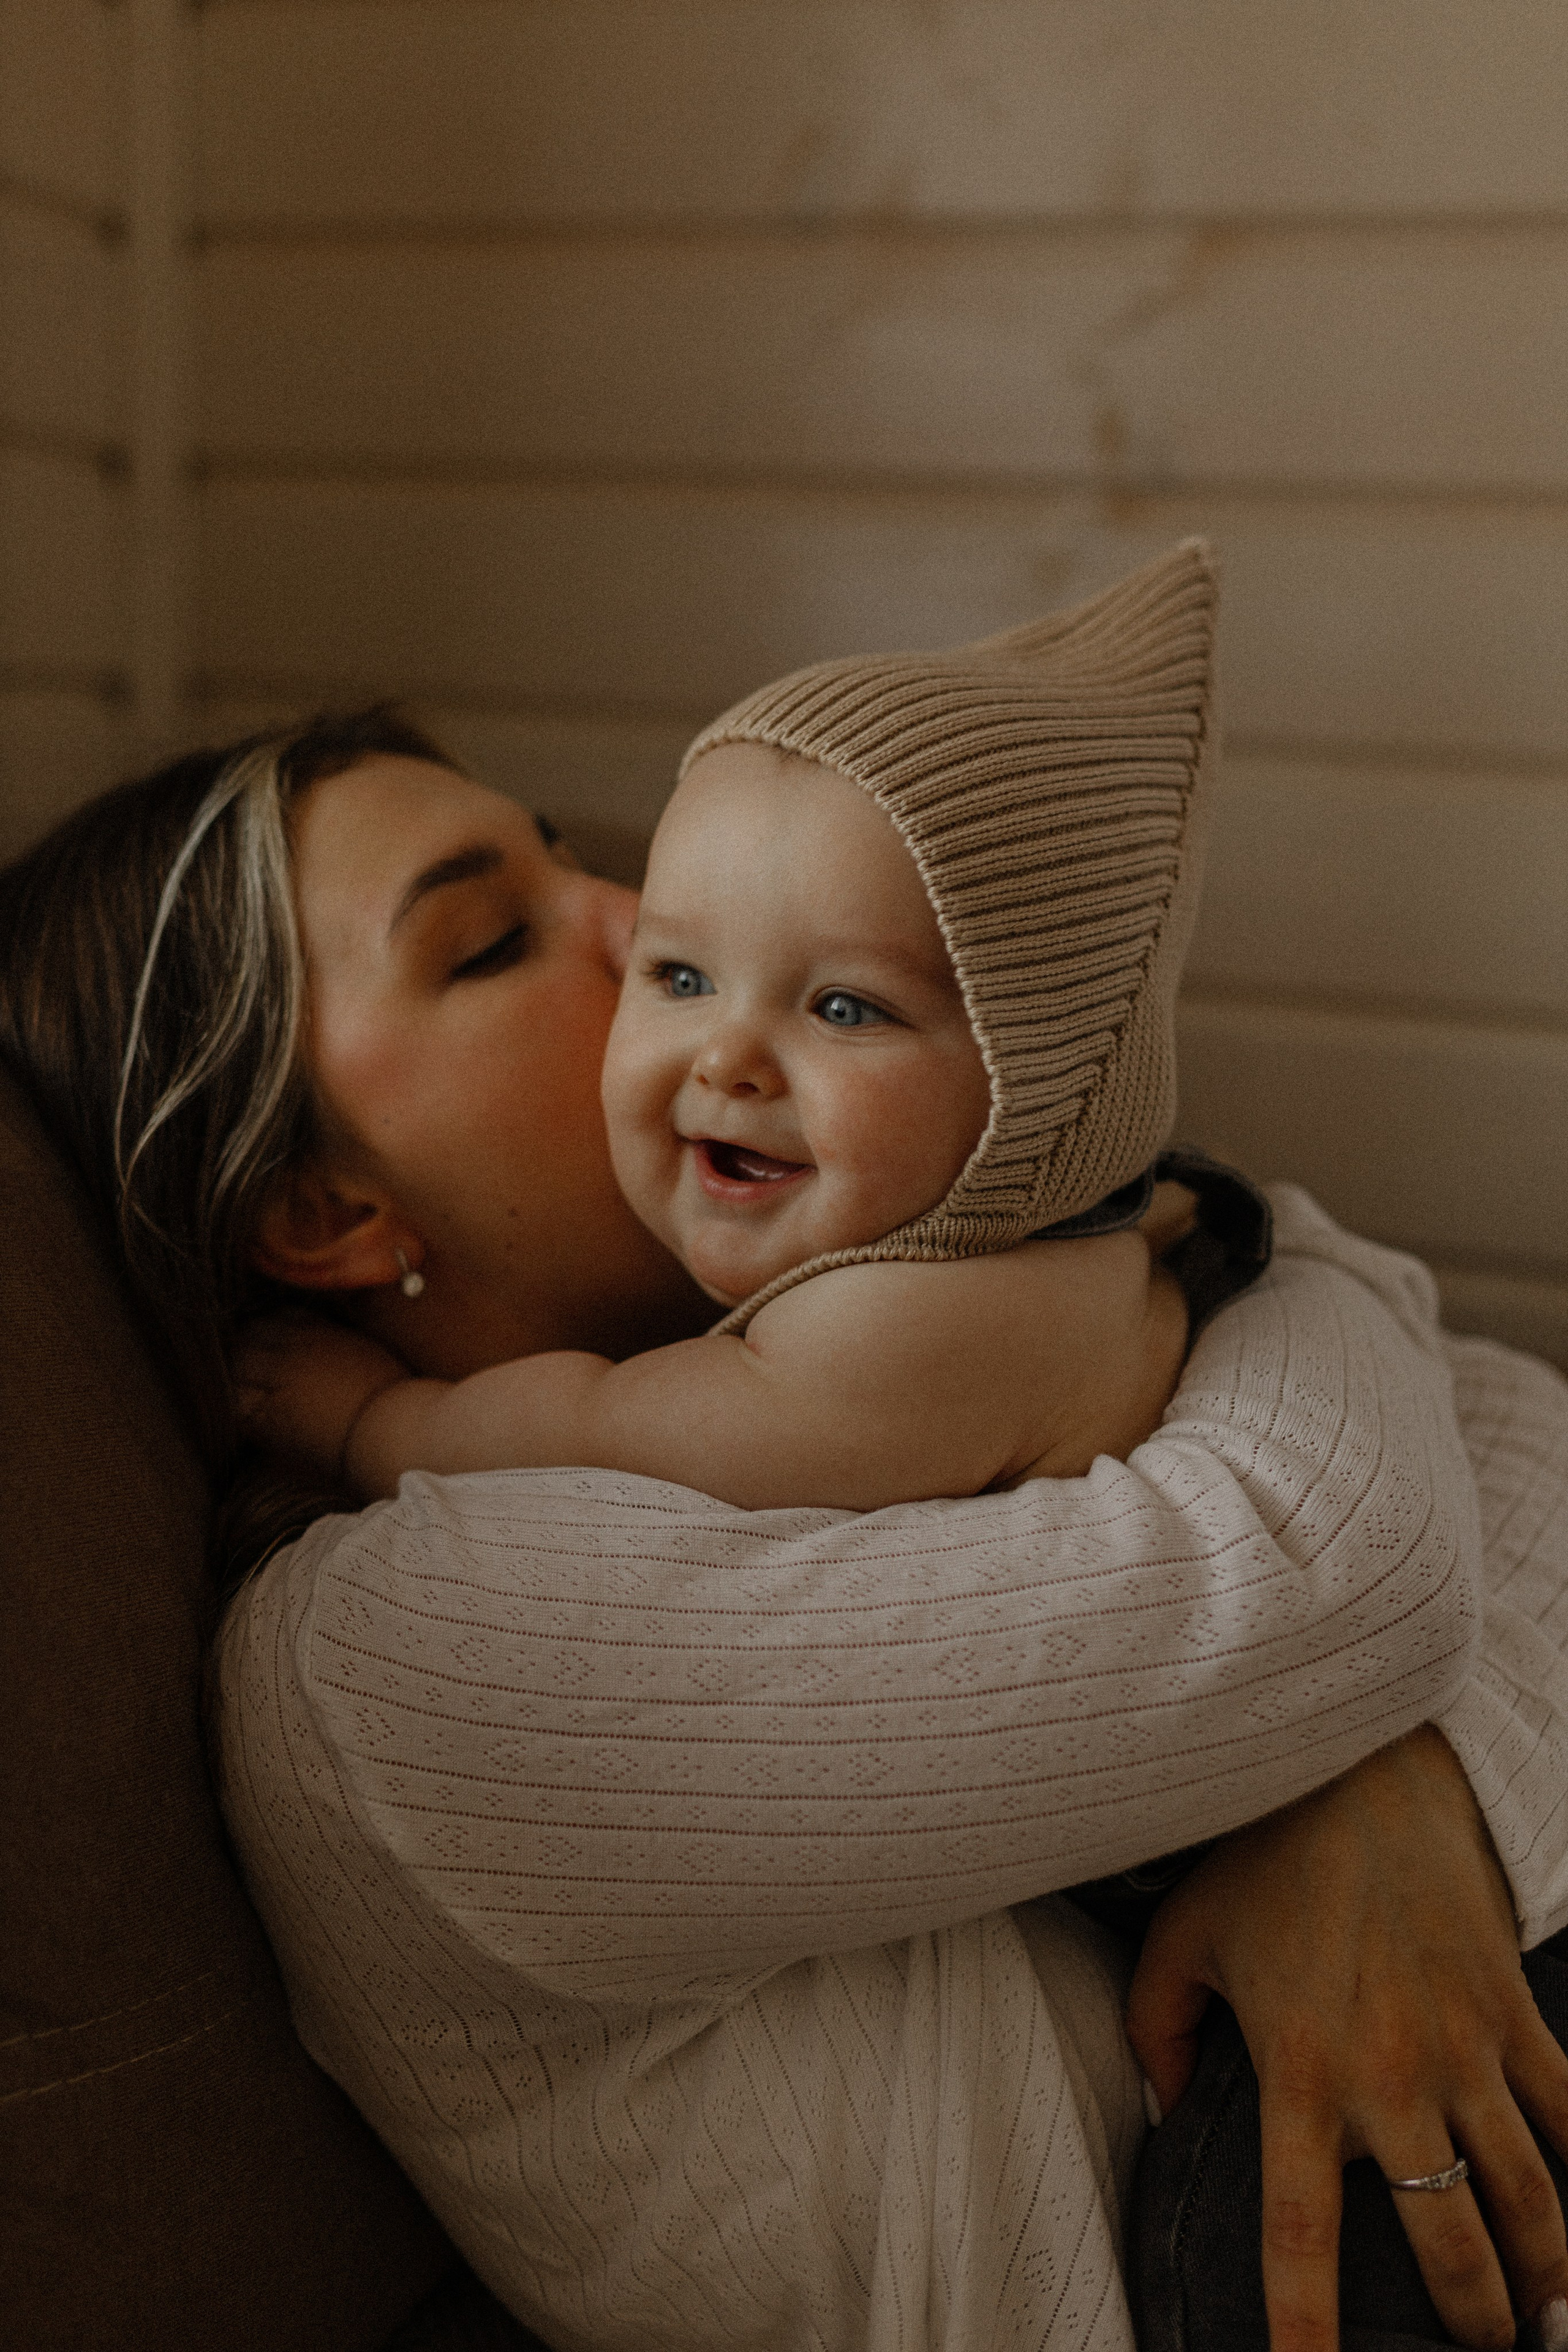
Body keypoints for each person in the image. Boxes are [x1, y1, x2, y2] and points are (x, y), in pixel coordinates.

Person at [2, 618, 1566, 2352]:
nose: (652, 926)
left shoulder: (896, 1312)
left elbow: (1487, 1404)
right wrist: (1360, 1770)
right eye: (499, 939)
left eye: (585, 864)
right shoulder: (390, 1674)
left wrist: (1399, 1794)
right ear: (323, 1214)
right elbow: (1337, 1557)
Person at [238, 544, 1250, 1515]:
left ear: (1036, 1073)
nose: (725, 1055)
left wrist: (378, 1425)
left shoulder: (903, 1324)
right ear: (321, 1212)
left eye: (845, 1008)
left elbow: (598, 1434)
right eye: (683, 974)